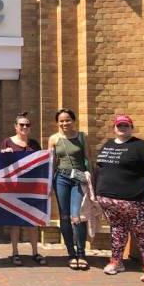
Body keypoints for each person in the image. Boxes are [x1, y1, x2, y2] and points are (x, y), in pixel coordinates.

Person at [95, 114, 144, 283]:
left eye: (126, 125)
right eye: (119, 125)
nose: (122, 128)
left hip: (138, 201)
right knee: (117, 232)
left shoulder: (142, 147)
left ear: (131, 127)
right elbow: (100, 168)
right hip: (110, 202)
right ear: (114, 128)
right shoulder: (107, 145)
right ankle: (116, 262)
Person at [0, 112, 47, 266]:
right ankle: (15, 252)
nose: (25, 127)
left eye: (27, 125)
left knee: (32, 221)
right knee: (15, 222)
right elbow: (0, 166)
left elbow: (42, 164)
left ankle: (35, 252)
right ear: (15, 127)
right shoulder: (7, 142)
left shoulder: (34, 144)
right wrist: (4, 155)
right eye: (22, 125)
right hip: (14, 187)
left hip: (32, 187)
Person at [48, 108, 91, 270]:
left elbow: (88, 158)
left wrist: (91, 180)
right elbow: (51, 162)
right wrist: (48, 183)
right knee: (64, 216)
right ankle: (71, 253)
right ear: (57, 122)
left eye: (68, 120)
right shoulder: (54, 139)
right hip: (61, 178)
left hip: (79, 178)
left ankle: (81, 253)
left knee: (77, 215)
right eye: (61, 120)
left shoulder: (81, 137)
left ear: (73, 121)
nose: (65, 123)